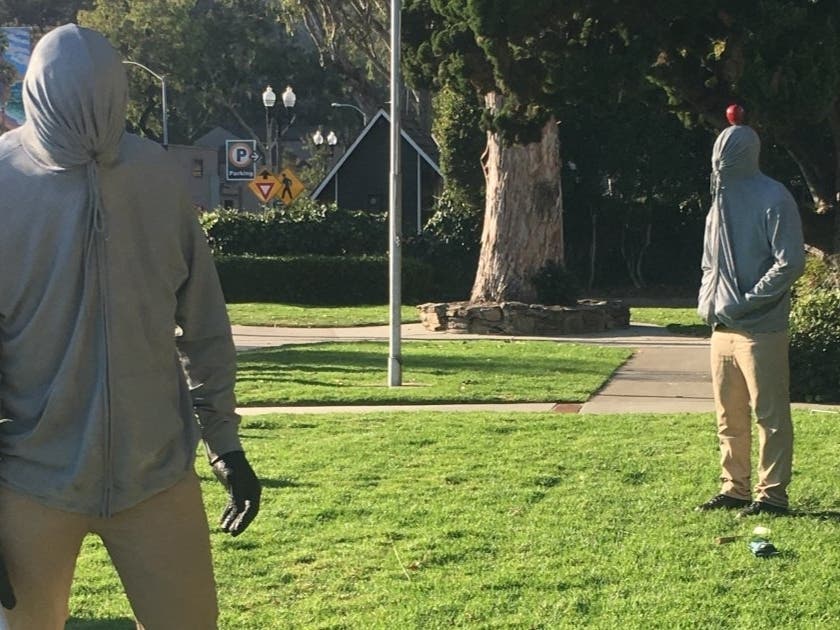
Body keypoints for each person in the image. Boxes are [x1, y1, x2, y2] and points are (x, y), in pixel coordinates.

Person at [0, 25, 261, 628]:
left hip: (155, 477)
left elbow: (203, 323)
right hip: (30, 482)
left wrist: (225, 445)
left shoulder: (159, 178)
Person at [695, 117, 805, 518]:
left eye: (728, 154)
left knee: (770, 415)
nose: (720, 164)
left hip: (762, 329)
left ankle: (772, 495)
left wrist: (746, 302)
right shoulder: (717, 206)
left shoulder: (774, 198)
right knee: (728, 414)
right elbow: (710, 263)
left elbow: (790, 263)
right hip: (721, 328)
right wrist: (709, 302)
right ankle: (734, 487)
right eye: (717, 155)